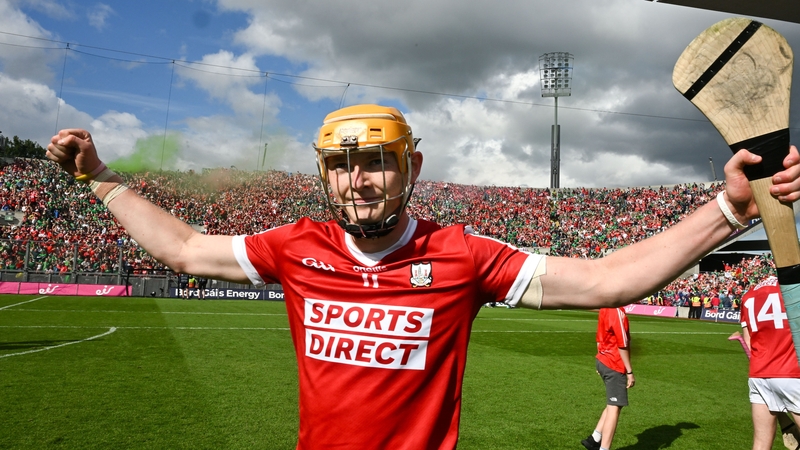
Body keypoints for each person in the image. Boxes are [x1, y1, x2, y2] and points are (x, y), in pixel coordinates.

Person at [45, 103, 800, 449]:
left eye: (375, 162)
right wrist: (103, 178)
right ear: (324, 175)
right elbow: (183, 249)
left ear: (411, 168)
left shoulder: (462, 254)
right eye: (342, 166)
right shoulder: (295, 246)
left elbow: (606, 279)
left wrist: (729, 209)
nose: (358, 181)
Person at [740, 276, 800, 450]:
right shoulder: (794, 286)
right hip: (792, 372)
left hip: (759, 375)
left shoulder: (749, 294)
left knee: (760, 443)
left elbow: (749, 341)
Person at [582, 307, 634, 450]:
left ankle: (595, 438)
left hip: (603, 360)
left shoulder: (605, 307)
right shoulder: (617, 310)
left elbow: (600, 338)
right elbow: (622, 343)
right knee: (614, 406)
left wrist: (601, 359)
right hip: (614, 363)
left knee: (613, 403)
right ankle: (604, 448)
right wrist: (629, 371)